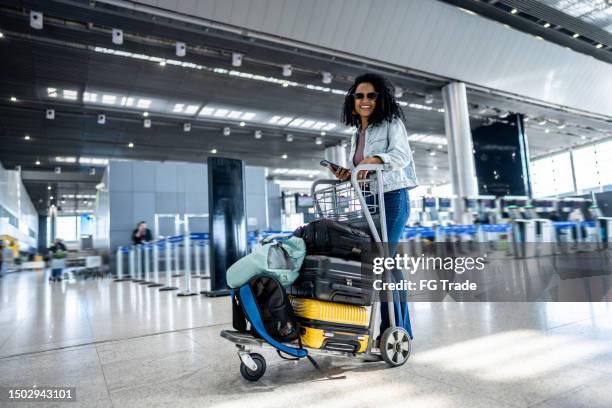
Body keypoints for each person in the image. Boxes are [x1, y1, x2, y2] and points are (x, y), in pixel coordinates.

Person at [334, 72, 418, 340]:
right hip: (370, 200)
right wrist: (350, 172)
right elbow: (363, 169)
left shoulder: (391, 123)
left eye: (371, 95)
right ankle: (398, 329)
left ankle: (390, 330)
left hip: (393, 197)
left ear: (380, 99)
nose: (365, 100)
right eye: (360, 96)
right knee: (387, 265)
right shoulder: (356, 133)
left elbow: (401, 156)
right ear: (353, 100)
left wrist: (372, 159)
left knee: (383, 263)